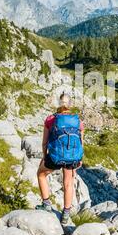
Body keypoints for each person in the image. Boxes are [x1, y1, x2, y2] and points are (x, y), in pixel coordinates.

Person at [36, 93, 84, 225]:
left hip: (55, 156)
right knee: (68, 183)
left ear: (58, 103)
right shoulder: (78, 121)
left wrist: (45, 157)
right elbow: (81, 142)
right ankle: (65, 215)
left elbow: (45, 142)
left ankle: (46, 204)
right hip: (72, 157)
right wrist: (80, 159)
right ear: (70, 105)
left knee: (41, 174)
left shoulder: (51, 119)